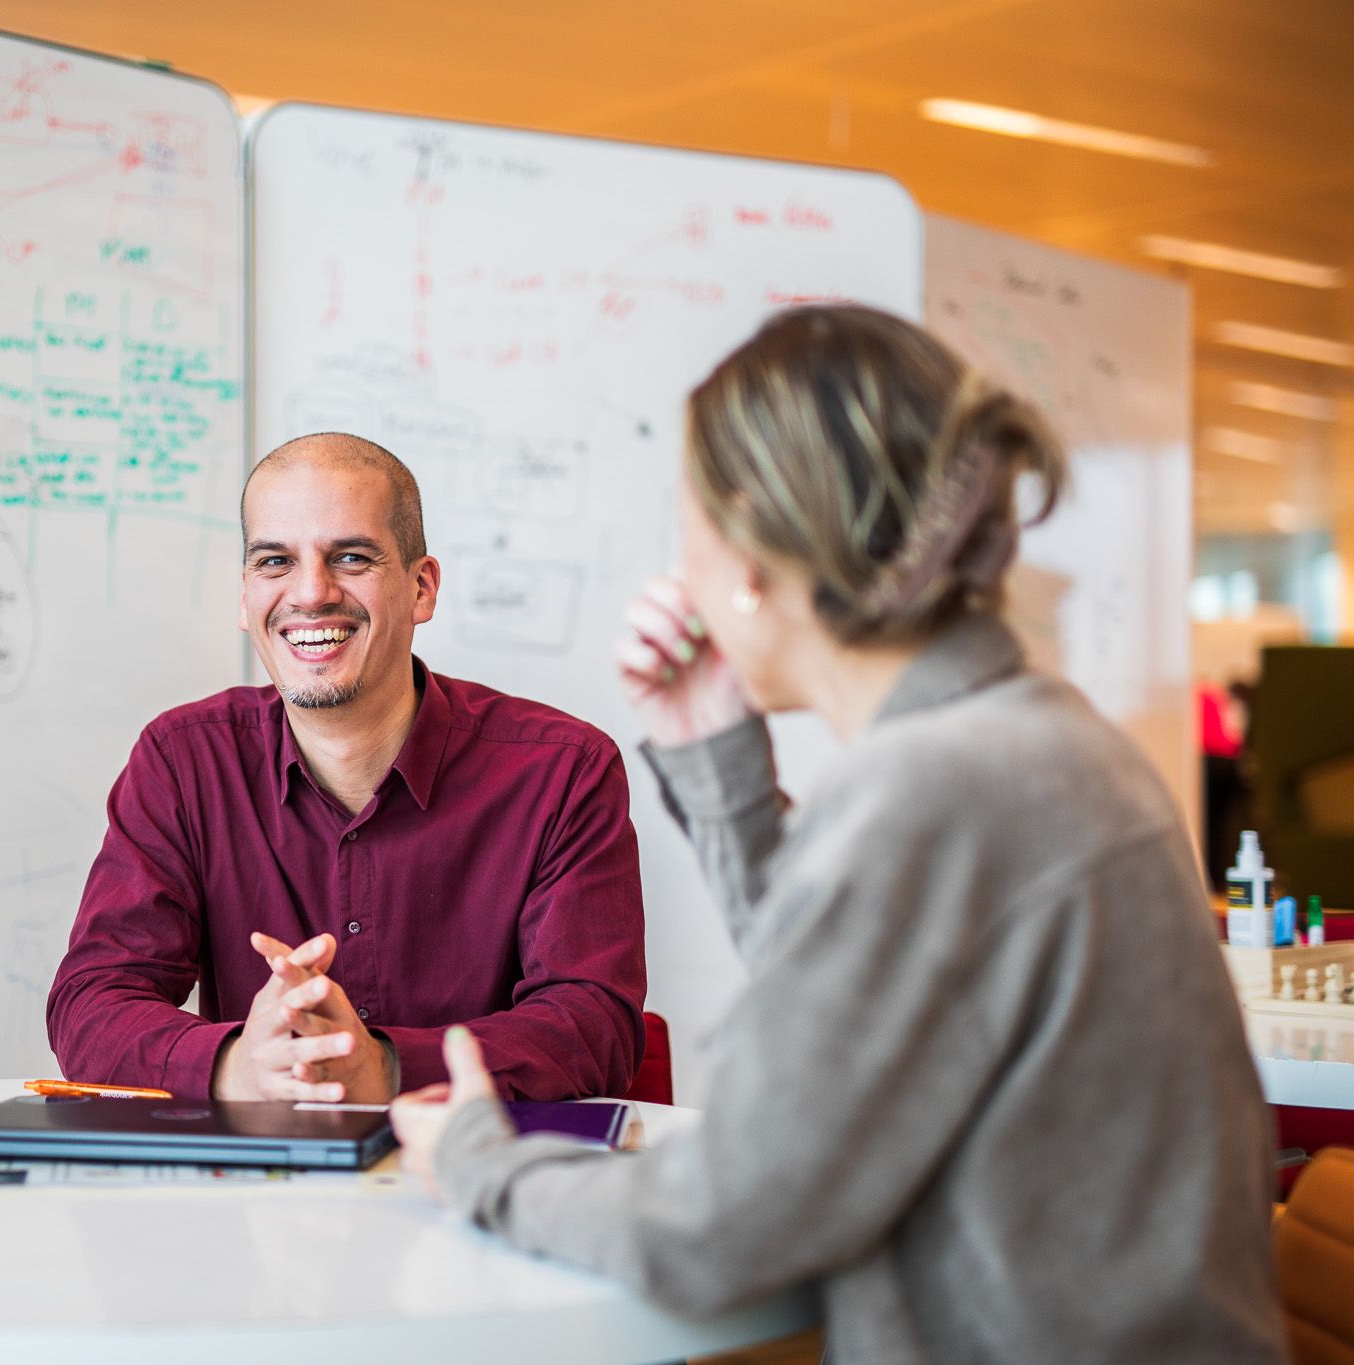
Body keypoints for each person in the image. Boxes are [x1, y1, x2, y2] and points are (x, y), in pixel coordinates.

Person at [392, 307, 1286, 1362]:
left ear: (751, 561)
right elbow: (848, 1010)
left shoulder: (931, 792)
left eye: (685, 522)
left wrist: (481, 1164)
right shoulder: (1042, 741)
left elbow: (720, 1224)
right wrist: (713, 747)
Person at [47, 433, 646, 1104]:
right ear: (246, 599)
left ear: (421, 588)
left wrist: (386, 1068)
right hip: (251, 1195)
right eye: (275, 561)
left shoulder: (564, 772)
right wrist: (235, 1066)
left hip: (475, 1183)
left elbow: (593, 1027)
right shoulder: (181, 760)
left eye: (351, 556)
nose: (310, 592)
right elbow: (93, 999)